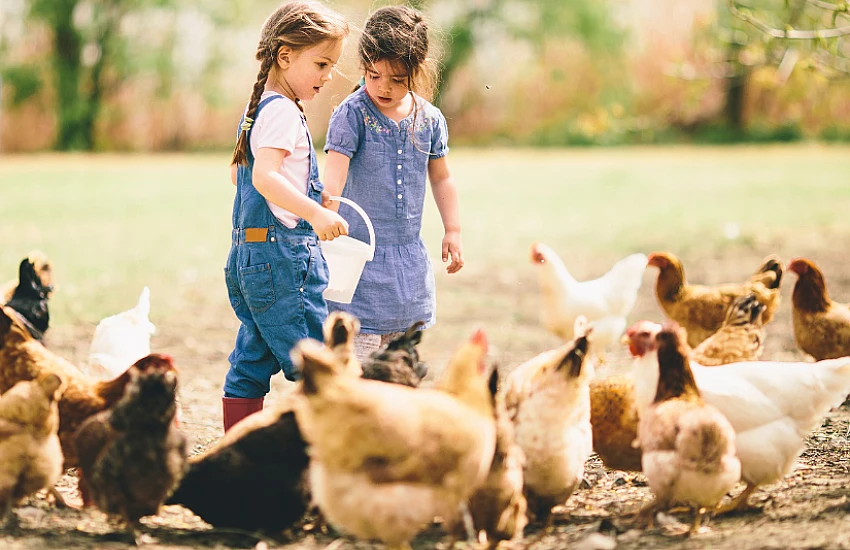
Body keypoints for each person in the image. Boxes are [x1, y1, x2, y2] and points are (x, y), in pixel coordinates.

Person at [223, 1, 349, 432]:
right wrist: (313, 213)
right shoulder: (281, 111)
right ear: (285, 55)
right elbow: (264, 178)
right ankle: (328, 453)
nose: (328, 75)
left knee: (252, 360)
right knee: (317, 362)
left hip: (251, 259)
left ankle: (238, 450)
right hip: (281, 263)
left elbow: (258, 185)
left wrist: (313, 198)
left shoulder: (260, 107)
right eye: (322, 63)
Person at [323, 5, 464, 360]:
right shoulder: (352, 115)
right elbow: (334, 178)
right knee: (359, 360)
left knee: (401, 362)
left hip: (407, 266)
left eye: (397, 79)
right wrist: (326, 216)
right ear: (363, 67)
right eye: (374, 76)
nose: (384, 87)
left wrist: (453, 230)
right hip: (359, 261)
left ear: (416, 71)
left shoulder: (429, 119)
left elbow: (442, 177)